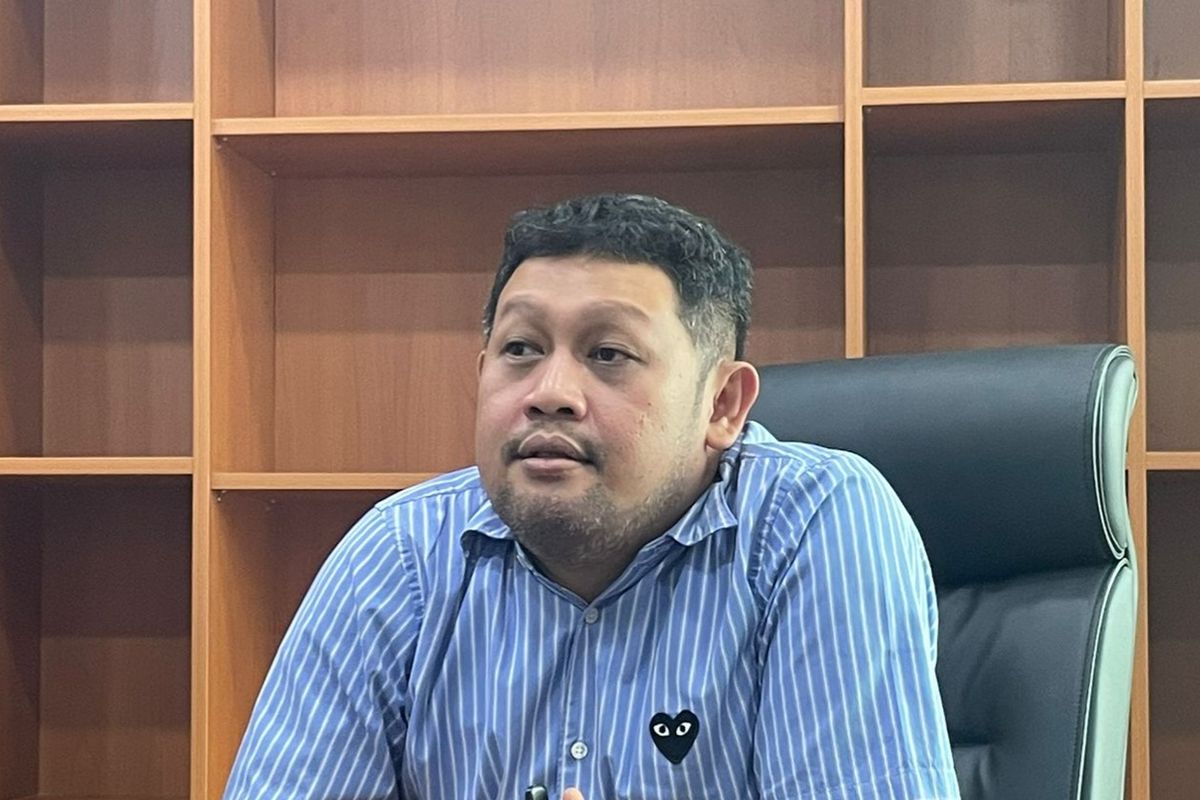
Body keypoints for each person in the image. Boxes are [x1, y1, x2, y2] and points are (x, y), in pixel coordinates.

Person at [223, 193, 961, 800]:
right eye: (520, 350)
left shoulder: (815, 525)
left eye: (609, 354)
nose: (549, 393)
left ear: (722, 406)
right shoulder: (400, 554)